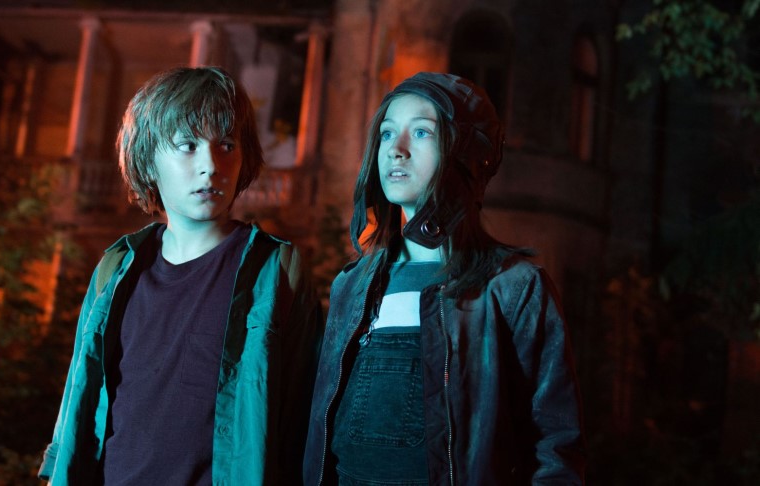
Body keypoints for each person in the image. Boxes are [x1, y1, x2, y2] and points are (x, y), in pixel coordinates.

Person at [38, 67, 322, 486]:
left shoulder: (275, 269)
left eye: (226, 145)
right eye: (187, 145)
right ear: (148, 160)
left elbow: (303, 416)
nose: (210, 165)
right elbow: (78, 399)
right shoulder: (116, 269)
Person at [303, 72, 585, 485]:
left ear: (465, 154)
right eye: (386, 133)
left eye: (421, 132)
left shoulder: (513, 288)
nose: (396, 149)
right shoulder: (351, 286)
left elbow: (555, 444)